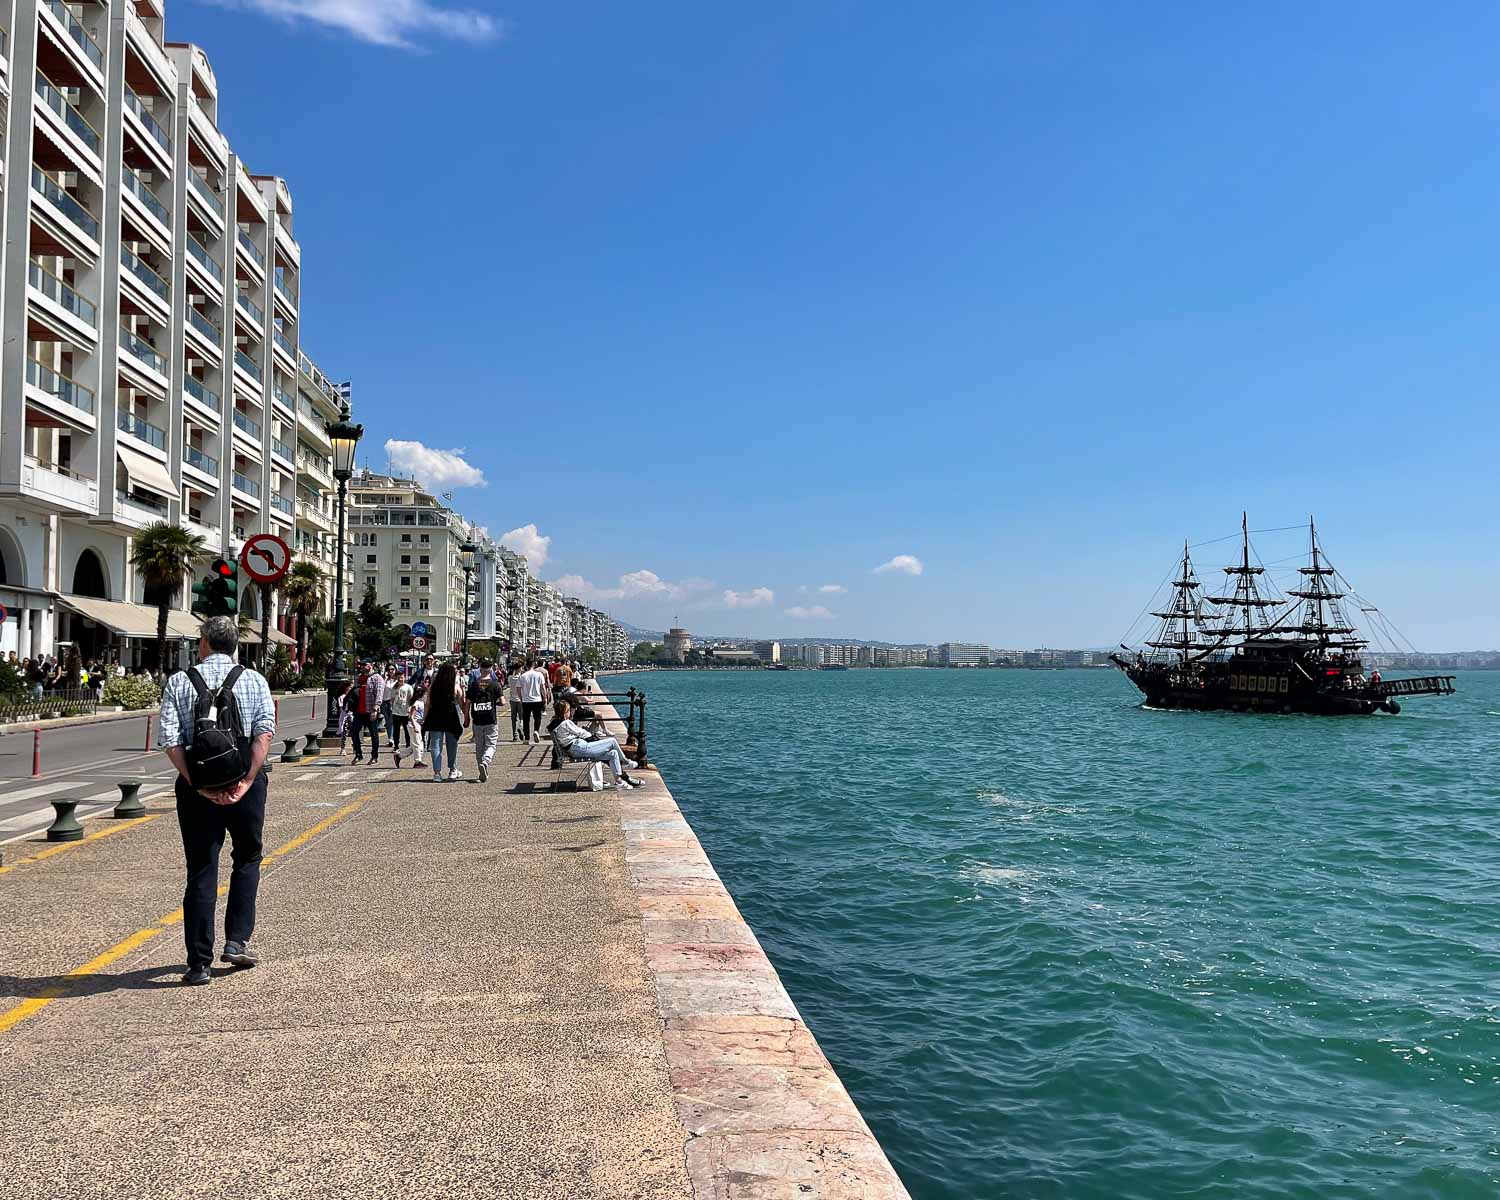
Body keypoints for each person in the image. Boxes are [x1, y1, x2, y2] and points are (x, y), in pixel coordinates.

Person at [157, 615, 276, 986]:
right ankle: (237, 941)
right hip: (244, 780)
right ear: (235, 645)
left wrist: (197, 785)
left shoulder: (179, 682)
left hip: (198, 786)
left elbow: (171, 741)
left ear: (204, 643)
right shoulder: (253, 680)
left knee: (202, 867)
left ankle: (198, 963)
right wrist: (248, 780)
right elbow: (264, 733)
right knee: (247, 857)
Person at [549, 699, 641, 789]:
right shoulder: (566, 723)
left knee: (613, 753)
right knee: (612, 741)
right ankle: (626, 761)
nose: (570, 713)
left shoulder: (554, 723)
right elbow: (580, 732)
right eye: (568, 711)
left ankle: (619, 781)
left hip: (576, 749)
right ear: (564, 712)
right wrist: (590, 735)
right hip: (580, 748)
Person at [422, 661, 468, 782]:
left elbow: (427, 704)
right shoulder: (455, 687)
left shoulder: (433, 686)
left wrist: (424, 718)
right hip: (451, 718)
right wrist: (466, 717)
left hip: (435, 717)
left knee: (435, 745)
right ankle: (452, 770)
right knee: (452, 745)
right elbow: (462, 704)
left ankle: (437, 773)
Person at [467, 659, 504, 782]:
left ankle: (481, 769)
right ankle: (486, 761)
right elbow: (503, 702)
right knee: (491, 744)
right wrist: (495, 702)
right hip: (490, 719)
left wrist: (466, 717)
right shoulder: (495, 684)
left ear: (480, 669)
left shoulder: (473, 684)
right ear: (491, 669)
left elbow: (467, 702)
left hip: (477, 719)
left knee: (479, 746)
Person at [350, 662, 385, 764]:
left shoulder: (377, 678)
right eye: (360, 665)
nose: (361, 667)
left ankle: (374, 756)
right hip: (359, 711)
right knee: (354, 732)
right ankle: (358, 754)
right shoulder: (358, 678)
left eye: (364, 665)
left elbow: (379, 694)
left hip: (370, 710)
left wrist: (375, 709)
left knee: (373, 734)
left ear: (370, 666)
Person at [516, 659, 551, 743]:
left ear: (526, 666)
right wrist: (545, 698)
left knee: (526, 719)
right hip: (537, 699)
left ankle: (527, 738)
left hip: (526, 700)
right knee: (537, 717)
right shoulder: (539, 675)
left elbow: (518, 689)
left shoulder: (523, 676)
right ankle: (536, 730)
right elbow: (542, 688)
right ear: (533, 665)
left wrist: (521, 698)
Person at [389, 673, 415, 762]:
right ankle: (396, 745)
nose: (400, 679)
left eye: (402, 677)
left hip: (406, 712)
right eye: (399, 678)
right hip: (396, 712)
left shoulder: (408, 687)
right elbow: (392, 699)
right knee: (396, 730)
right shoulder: (394, 688)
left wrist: (410, 709)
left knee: (406, 729)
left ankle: (408, 744)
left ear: (404, 678)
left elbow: (411, 699)